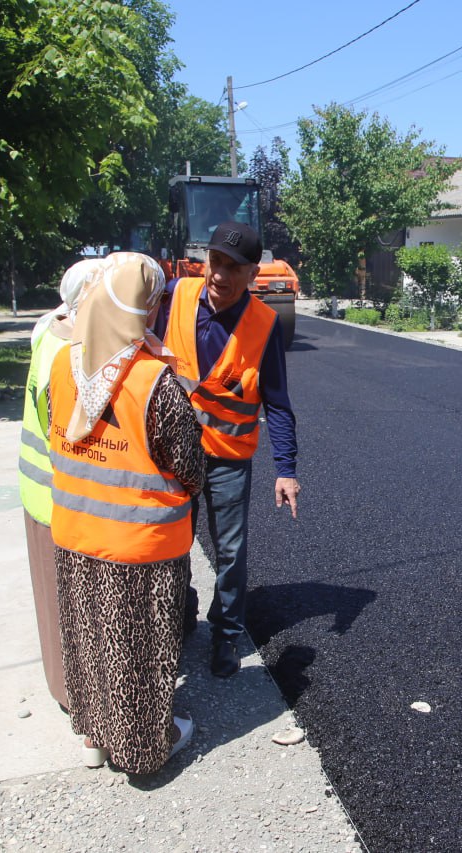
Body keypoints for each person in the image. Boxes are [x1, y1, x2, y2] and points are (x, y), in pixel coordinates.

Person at [48, 252, 204, 773]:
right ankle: (143, 749)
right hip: (140, 548)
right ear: (148, 307)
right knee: (137, 652)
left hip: (75, 537)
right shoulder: (154, 383)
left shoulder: (61, 365)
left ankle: (95, 737)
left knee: (90, 640)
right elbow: (190, 468)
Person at [153, 221, 301, 678]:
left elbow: (277, 402)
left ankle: (226, 635)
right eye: (215, 262)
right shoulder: (175, 296)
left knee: (230, 551)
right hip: (173, 452)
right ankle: (181, 616)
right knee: (172, 543)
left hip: (228, 459)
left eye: (233, 268)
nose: (220, 275)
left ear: (253, 273)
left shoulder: (264, 324)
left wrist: (286, 468)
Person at [18, 257, 105, 709]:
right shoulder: (70, 357)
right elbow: (76, 440)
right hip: (62, 504)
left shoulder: (48, 328)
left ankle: (69, 693)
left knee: (55, 607)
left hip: (38, 497)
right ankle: (84, 706)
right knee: (75, 612)